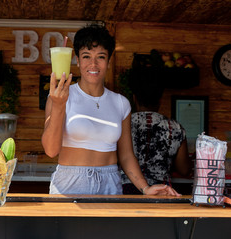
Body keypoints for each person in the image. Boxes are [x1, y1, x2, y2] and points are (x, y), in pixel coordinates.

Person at [41, 23, 180, 196]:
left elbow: (127, 156)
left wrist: (145, 188)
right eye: (86, 56)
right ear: (77, 60)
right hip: (69, 184)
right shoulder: (59, 96)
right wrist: (59, 105)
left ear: (108, 61)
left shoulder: (121, 103)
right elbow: (51, 150)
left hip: (110, 183)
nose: (93, 64)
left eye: (100, 57)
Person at [121, 69, 192, 194]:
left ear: (134, 98)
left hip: (125, 189)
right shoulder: (175, 127)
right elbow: (184, 169)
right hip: (162, 191)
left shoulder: (123, 124)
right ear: (160, 100)